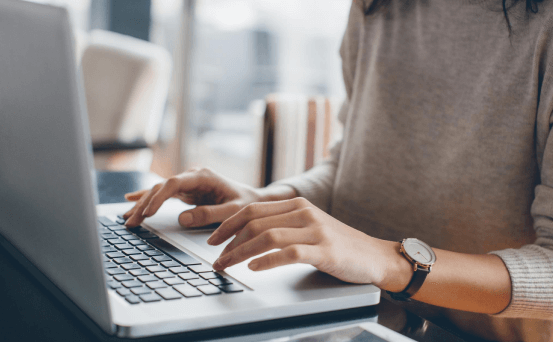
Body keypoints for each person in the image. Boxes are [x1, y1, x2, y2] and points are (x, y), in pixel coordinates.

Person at [123, 0, 553, 340]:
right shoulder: (376, 6)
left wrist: (391, 260)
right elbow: (349, 165)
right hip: (356, 317)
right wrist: (265, 200)